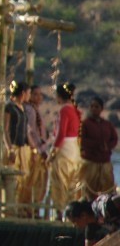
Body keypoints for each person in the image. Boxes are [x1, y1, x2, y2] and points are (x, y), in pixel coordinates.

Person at [49, 81, 83, 219]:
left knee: (59, 182)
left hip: (64, 150)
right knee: (71, 183)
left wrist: (52, 152)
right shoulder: (75, 110)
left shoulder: (64, 110)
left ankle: (59, 212)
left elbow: (61, 134)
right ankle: (70, 214)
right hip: (74, 149)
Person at [79, 96, 119, 199]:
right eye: (91, 106)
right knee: (89, 190)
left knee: (108, 189)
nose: (93, 109)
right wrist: (96, 145)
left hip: (105, 162)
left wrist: (107, 146)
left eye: (96, 106)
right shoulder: (85, 124)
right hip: (91, 162)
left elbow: (114, 138)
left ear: (101, 109)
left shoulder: (107, 124)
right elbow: (81, 140)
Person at [4, 81, 33, 211]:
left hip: (22, 148)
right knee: (12, 178)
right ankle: (9, 207)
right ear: (22, 93)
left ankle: (20, 207)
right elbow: (5, 129)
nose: (29, 96)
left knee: (24, 179)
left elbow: (26, 131)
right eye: (28, 93)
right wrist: (9, 148)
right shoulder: (9, 107)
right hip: (13, 147)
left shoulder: (23, 108)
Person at [25, 84, 50, 211]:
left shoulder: (35, 109)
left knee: (40, 181)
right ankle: (29, 208)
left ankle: (33, 208)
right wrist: (38, 149)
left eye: (40, 94)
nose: (39, 97)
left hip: (40, 149)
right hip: (35, 150)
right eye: (35, 94)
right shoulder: (29, 110)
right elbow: (30, 131)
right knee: (34, 180)